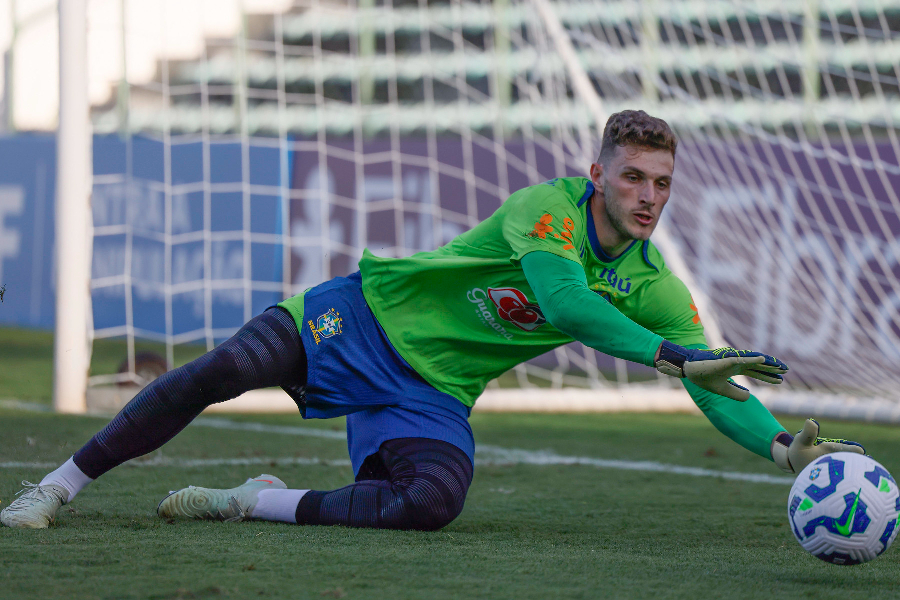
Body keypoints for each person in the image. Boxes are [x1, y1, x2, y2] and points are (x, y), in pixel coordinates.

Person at [1, 110, 863, 531]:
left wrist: (781, 448)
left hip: (435, 391)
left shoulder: (657, 287)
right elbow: (564, 304)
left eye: (663, 183)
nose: (648, 197)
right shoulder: (549, 210)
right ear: (596, 173)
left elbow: (714, 383)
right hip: (364, 317)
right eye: (634, 176)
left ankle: (254, 501)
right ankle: (56, 488)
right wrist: (679, 356)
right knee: (222, 370)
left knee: (432, 505)